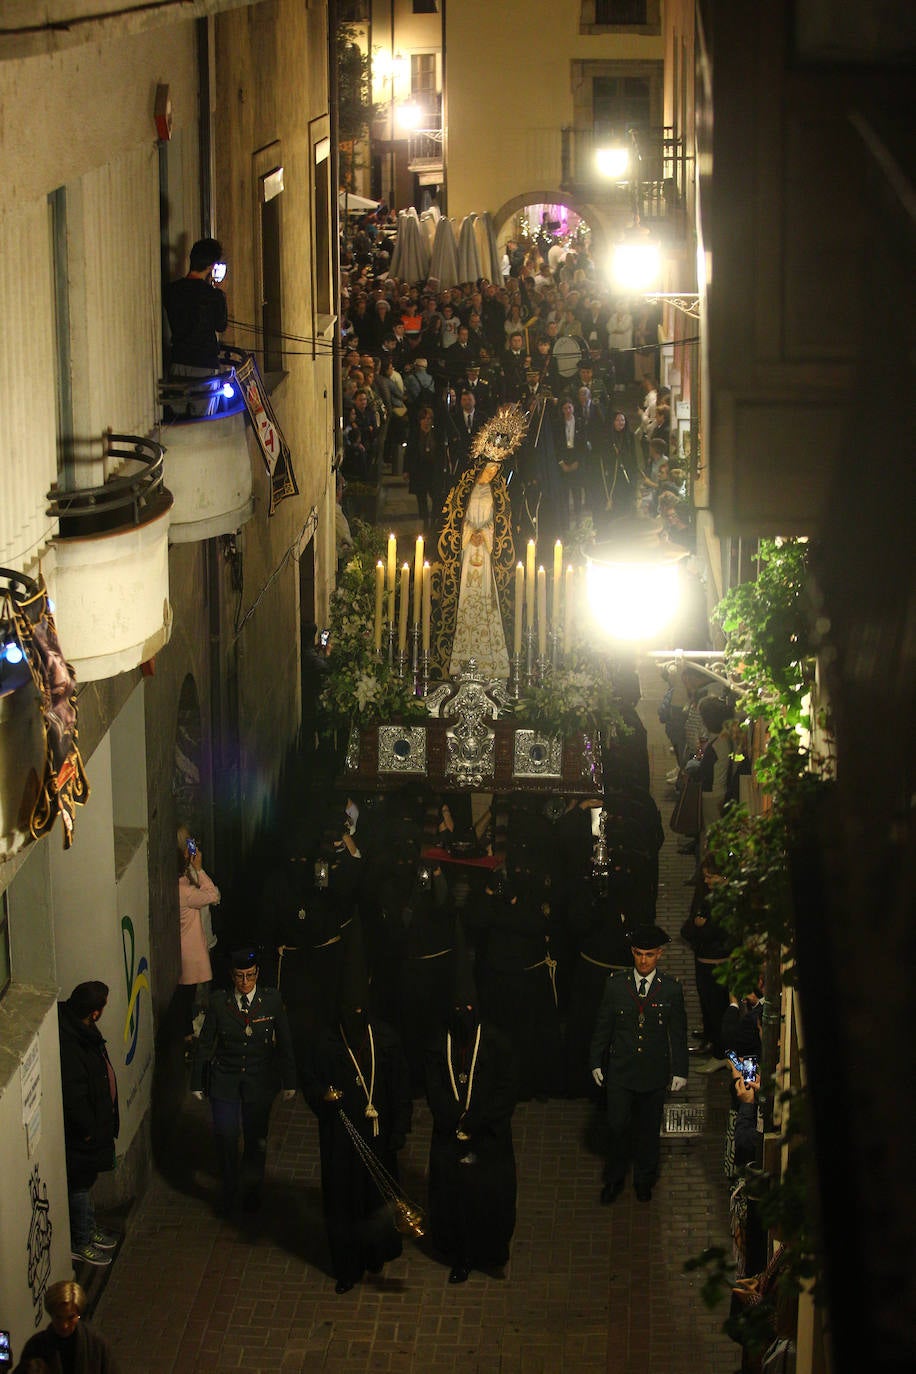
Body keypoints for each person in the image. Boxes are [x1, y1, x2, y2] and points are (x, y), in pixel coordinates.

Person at [300, 922, 412, 1294]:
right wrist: (324, 1098)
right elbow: (310, 1081)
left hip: (378, 1139)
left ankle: (375, 1253)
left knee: (376, 1200)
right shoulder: (326, 1043)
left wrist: (399, 1130)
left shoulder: (386, 1040)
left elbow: (399, 1088)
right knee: (344, 1204)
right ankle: (346, 1267)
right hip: (342, 1139)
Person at [425, 923, 517, 1285]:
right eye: (457, 1007)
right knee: (456, 1201)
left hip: (488, 1135)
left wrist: (478, 1119)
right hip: (451, 1134)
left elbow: (506, 1089)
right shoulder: (439, 1045)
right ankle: (460, 1255)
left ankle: (490, 1254)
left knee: (489, 1198)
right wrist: (454, 1118)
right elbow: (434, 1087)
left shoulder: (496, 1044)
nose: (463, 1012)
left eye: (469, 1007)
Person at [190, 947, 297, 1215]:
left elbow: (284, 1043)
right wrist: (196, 1082)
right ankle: (229, 1188)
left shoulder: (271, 1001)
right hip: (225, 1079)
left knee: (255, 1138)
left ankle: (251, 1191)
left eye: (250, 975)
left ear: (257, 974)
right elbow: (205, 1044)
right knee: (226, 1136)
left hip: (259, 1081)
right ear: (232, 976)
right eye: (240, 976)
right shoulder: (219, 1003)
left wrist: (290, 1080)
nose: (245, 981)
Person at [589, 922, 688, 1203]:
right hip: (621, 1071)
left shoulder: (670, 990)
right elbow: (603, 1026)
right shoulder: (615, 986)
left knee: (647, 1131)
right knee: (617, 1127)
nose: (644, 961)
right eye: (639, 954)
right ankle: (614, 1179)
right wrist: (596, 1060)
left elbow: (677, 1032)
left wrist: (680, 1070)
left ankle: (644, 1178)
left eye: (649, 955)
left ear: (659, 955)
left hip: (654, 1072)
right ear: (632, 954)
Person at [433, 406, 525, 681]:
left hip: (485, 553)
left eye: (497, 468)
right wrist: (468, 532)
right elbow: (454, 516)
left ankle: (491, 658)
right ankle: (460, 657)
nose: (493, 472)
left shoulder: (499, 494)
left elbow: (503, 525)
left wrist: (485, 534)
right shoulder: (466, 488)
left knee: (487, 599)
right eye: (490, 467)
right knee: (466, 598)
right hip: (468, 548)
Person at [57, 983, 120, 1267]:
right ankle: (81, 1241)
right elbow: (75, 1096)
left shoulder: (80, 1030)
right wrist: (89, 1132)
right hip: (82, 1136)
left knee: (86, 1182)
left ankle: (88, 1228)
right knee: (80, 1186)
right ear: (94, 1013)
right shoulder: (72, 1044)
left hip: (91, 1131)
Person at [163, 237, 229, 412]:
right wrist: (218, 289)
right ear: (211, 266)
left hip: (179, 360)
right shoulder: (214, 296)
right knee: (202, 423)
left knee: (176, 421)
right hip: (205, 365)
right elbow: (221, 325)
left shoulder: (171, 291)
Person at [12, 1280, 121, 1374]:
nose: (64, 1325)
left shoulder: (97, 1344)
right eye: (58, 1317)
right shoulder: (36, 1347)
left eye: (70, 1318)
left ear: (78, 1315)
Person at [176, 825, 219, 1043]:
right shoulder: (185, 887)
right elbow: (213, 895)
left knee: (188, 997)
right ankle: (190, 1037)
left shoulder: (182, 880)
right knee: (191, 999)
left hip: (194, 945)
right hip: (192, 950)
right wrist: (199, 869)